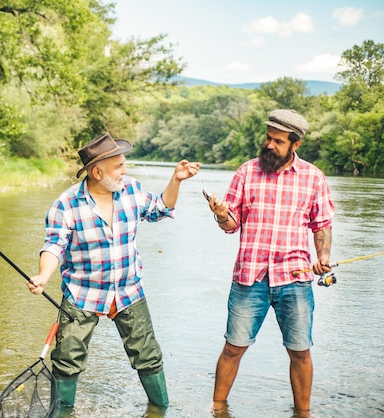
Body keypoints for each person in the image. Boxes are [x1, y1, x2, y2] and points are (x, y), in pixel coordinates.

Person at [27, 132, 200, 408]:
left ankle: (160, 410)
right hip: (81, 292)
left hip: (129, 289)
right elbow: (54, 246)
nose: (125, 170)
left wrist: (176, 180)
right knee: (66, 360)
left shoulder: (131, 189)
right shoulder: (66, 204)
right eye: (119, 165)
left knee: (148, 355)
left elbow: (160, 207)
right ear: (97, 171)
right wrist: (43, 276)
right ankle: (61, 412)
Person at [206, 109, 335, 416]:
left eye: (278, 141)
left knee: (300, 352)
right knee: (233, 348)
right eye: (268, 137)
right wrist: (221, 213)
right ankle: (217, 409)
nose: (269, 145)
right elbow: (230, 224)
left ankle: (302, 413)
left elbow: (323, 224)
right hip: (249, 277)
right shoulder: (246, 172)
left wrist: (324, 257)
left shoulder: (314, 178)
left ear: (296, 144)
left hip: (295, 278)